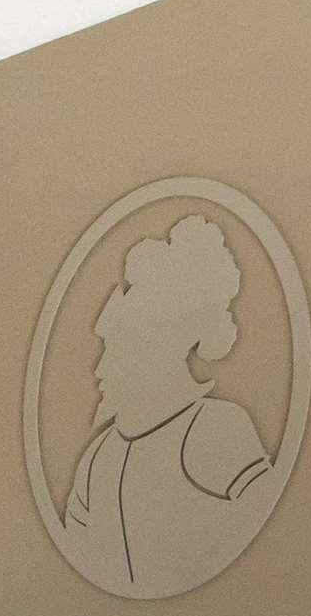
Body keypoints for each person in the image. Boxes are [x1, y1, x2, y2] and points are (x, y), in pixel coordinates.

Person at [59, 213, 273, 593]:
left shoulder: (212, 428)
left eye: (118, 348)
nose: (101, 368)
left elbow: (278, 547)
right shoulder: (96, 459)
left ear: (157, 352)